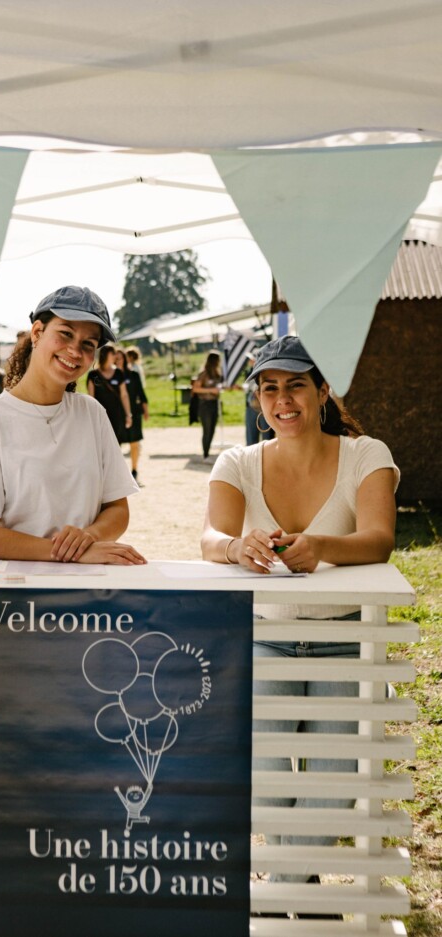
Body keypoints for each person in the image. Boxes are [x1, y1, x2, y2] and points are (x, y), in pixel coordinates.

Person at [200, 335, 399, 919]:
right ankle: (306, 904)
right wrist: (238, 546)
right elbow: (210, 540)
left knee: (330, 788)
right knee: (266, 787)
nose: (282, 400)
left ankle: (277, 899)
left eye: (295, 385)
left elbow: (379, 540)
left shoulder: (367, 454)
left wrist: (322, 547)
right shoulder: (236, 462)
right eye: (269, 388)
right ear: (258, 398)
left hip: (346, 643)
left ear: (322, 390)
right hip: (261, 638)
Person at [0, 285, 145, 566]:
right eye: (65, 334)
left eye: (88, 344)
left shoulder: (92, 414)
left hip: (91, 593)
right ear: (38, 333)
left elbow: (117, 509)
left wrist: (89, 536)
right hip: (17, 597)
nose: (75, 351)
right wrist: (70, 553)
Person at [114, 347, 149, 481]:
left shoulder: (133, 375)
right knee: (116, 444)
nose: (118, 360)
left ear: (125, 358)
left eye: (120, 358)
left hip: (134, 411)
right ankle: (118, 473)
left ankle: (134, 470)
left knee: (135, 442)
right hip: (116, 414)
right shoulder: (110, 376)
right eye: (115, 358)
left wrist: (146, 410)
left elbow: (141, 393)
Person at [87, 344, 133, 443]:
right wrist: (92, 417)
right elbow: (91, 397)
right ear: (105, 355)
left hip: (117, 414)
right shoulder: (93, 375)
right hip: (100, 414)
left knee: (116, 443)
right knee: (101, 443)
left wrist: (128, 414)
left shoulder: (118, 373)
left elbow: (124, 395)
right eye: (113, 353)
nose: (116, 356)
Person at [192, 351, 222, 461]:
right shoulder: (204, 374)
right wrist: (210, 390)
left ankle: (207, 451)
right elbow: (195, 389)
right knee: (207, 429)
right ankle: (205, 454)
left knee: (212, 429)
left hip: (214, 403)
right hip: (205, 405)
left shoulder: (217, 374)